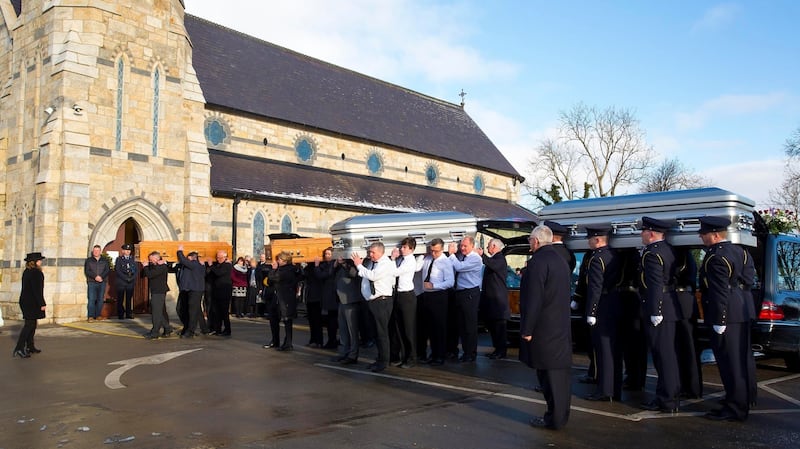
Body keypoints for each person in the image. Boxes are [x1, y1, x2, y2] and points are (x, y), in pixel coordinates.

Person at [699, 216, 756, 422]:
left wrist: (720, 319)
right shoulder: (741, 251)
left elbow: (719, 291)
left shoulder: (716, 257)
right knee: (741, 360)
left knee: (730, 363)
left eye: (704, 233)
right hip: (741, 309)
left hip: (728, 314)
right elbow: (748, 280)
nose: (701, 236)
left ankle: (735, 408)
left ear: (715, 235)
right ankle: (742, 398)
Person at [519, 225, 573, 430]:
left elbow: (534, 299)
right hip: (559, 324)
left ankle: (555, 418)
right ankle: (559, 416)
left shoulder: (538, 262)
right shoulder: (560, 259)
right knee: (559, 376)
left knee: (549, 376)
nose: (529, 244)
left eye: (530, 241)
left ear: (536, 241)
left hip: (544, 327)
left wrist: (527, 329)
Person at [638, 216, 680, 413]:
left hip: (659, 307)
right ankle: (668, 396)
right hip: (669, 305)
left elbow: (654, 284)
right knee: (667, 355)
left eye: (643, 231)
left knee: (663, 357)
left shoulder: (652, 254)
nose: (641, 234)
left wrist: (655, 310)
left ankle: (667, 400)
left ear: (651, 233)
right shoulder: (669, 249)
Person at [584, 227, 623, 402]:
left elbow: (595, 287)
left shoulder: (597, 258)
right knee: (614, 349)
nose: (588, 241)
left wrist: (591, 311)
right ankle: (615, 388)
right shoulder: (614, 255)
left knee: (603, 350)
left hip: (602, 305)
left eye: (590, 238)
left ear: (598, 240)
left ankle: (605, 390)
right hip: (614, 303)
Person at [353, 242, 396, 373]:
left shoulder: (385, 263)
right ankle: (380, 358)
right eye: (369, 252)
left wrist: (358, 265)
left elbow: (373, 276)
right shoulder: (373, 263)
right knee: (376, 333)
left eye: (373, 252)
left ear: (381, 252)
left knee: (382, 333)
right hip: (372, 301)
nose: (370, 255)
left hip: (382, 302)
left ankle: (384, 361)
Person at [416, 238, 454, 366]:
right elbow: (417, 268)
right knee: (429, 326)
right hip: (426, 296)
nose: (433, 253)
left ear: (442, 249)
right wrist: (422, 255)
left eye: (436, 251)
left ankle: (440, 355)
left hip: (438, 295)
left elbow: (450, 282)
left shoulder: (445, 262)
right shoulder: (427, 259)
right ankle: (433, 352)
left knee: (439, 327)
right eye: (431, 251)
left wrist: (434, 285)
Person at [447, 236, 483, 362]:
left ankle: (470, 353)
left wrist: (451, 255)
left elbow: (460, 267)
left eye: (465, 246)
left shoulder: (475, 258)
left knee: (469, 325)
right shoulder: (463, 257)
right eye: (461, 245)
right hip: (461, 293)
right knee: (462, 324)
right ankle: (466, 352)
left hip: (470, 294)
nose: (462, 248)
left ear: (472, 246)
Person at [478, 238, 510, 359]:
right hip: (492, 300)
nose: (487, 248)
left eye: (488, 246)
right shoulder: (494, 259)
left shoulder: (500, 258)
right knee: (493, 328)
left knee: (499, 329)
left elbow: (492, 265)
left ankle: (501, 351)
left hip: (498, 301)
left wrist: (482, 255)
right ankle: (497, 349)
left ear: (494, 246)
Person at [391, 237, 419, 368]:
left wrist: (392, 259)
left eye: (404, 247)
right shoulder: (403, 260)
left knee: (408, 329)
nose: (402, 249)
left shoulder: (410, 261)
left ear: (411, 249)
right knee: (400, 328)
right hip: (399, 295)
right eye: (401, 247)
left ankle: (412, 358)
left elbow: (395, 272)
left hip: (407, 296)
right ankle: (404, 356)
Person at [14, 252, 47, 359]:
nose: (41, 262)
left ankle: (30, 346)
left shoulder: (27, 272)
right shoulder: (36, 273)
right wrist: (42, 303)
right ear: (35, 262)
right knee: (29, 325)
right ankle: (19, 348)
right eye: (39, 260)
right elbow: (37, 290)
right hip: (31, 302)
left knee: (32, 324)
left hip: (26, 301)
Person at [267, 251, 300, 351]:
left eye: (280, 260)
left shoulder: (289, 270)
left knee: (287, 320)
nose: (278, 261)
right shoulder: (280, 269)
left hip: (286, 298)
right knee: (273, 319)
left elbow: (274, 278)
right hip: (277, 297)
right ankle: (275, 341)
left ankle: (288, 343)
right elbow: (269, 281)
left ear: (285, 261)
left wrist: (273, 270)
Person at [333, 257, 363, 364]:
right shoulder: (339, 266)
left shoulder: (353, 263)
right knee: (343, 329)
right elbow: (332, 274)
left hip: (350, 300)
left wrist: (346, 264)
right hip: (341, 300)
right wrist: (336, 265)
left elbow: (354, 274)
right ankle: (344, 352)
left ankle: (353, 354)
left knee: (352, 330)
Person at [176, 247, 209, 338]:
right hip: (190, 290)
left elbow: (182, 260)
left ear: (191, 258)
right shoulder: (194, 265)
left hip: (195, 290)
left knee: (192, 311)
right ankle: (203, 328)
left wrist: (179, 250)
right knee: (195, 310)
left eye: (188, 258)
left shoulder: (195, 264)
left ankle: (190, 331)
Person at [141, 251, 174, 339]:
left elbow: (150, 274)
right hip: (156, 291)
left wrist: (145, 266)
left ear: (157, 258)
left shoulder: (161, 266)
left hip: (159, 292)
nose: (150, 261)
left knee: (156, 313)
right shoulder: (156, 266)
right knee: (159, 312)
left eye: (152, 259)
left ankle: (155, 332)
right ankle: (167, 328)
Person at [315, 248, 339, 349]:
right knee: (330, 321)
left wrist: (316, 266)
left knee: (332, 321)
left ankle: (332, 341)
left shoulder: (334, 265)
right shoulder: (326, 265)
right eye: (326, 254)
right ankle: (331, 340)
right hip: (328, 295)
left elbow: (322, 275)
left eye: (329, 254)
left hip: (332, 296)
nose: (327, 256)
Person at [207, 250, 233, 336]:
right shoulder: (218, 265)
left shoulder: (227, 265)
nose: (218, 259)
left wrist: (211, 265)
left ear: (225, 257)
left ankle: (227, 330)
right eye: (217, 257)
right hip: (217, 292)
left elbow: (219, 273)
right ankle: (217, 329)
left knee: (224, 312)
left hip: (224, 293)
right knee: (216, 312)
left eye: (220, 257)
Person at [84, 244, 110, 322]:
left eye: (97, 251)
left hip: (102, 282)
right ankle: (91, 316)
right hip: (92, 282)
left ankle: (98, 315)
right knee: (91, 299)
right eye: (94, 251)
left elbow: (107, 270)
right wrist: (95, 277)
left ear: (100, 252)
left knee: (100, 299)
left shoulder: (105, 260)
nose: (96, 252)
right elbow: (87, 271)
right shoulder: (88, 260)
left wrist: (101, 277)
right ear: (93, 252)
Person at [115, 243, 138, 319]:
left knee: (129, 298)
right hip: (122, 281)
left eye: (129, 250)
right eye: (126, 250)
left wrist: (131, 278)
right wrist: (125, 278)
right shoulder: (119, 259)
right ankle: (120, 314)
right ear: (123, 251)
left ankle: (128, 313)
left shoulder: (133, 259)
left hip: (130, 281)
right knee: (120, 298)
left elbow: (136, 270)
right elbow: (118, 270)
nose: (128, 251)